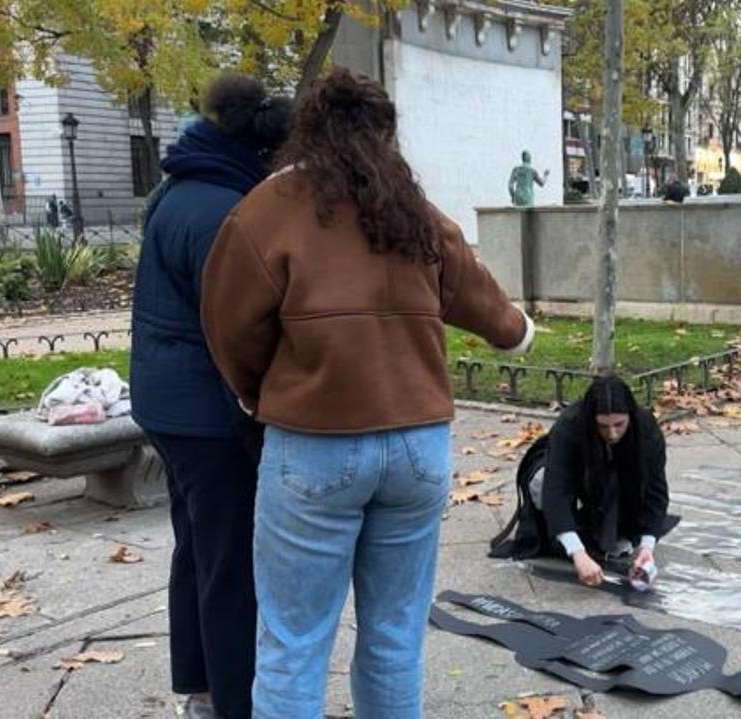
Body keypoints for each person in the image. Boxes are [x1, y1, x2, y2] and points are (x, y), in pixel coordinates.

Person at [200, 67, 533, 719]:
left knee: (293, 643)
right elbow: (495, 315)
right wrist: (519, 331)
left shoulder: (267, 210)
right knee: (395, 638)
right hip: (418, 445)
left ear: (308, 129)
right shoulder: (412, 209)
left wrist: (258, 393)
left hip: (314, 442)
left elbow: (229, 329)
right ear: (385, 134)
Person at [130, 73, 292, 719]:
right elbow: (237, 331)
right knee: (231, 561)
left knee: (197, 546)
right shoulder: (226, 212)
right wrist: (257, 419)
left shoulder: (180, 186)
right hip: (206, 416)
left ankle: (199, 686)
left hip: (165, 405)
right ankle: (234, 702)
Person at [490, 376, 676, 587]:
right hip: (576, 473)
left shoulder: (645, 426)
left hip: (619, 479)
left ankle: (610, 527)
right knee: (540, 484)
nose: (612, 433)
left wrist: (647, 546)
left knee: (614, 542)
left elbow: (656, 491)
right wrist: (577, 552)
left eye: (619, 424)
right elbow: (556, 489)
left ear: (630, 417)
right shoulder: (570, 424)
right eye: (603, 426)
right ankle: (566, 533)